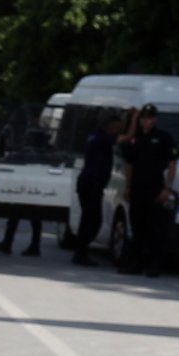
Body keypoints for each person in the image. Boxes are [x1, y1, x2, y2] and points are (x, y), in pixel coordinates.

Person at [121, 104, 178, 276]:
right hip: (137, 188)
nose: (147, 121)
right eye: (144, 117)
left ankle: (154, 266)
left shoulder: (163, 137)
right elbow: (129, 164)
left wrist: (167, 188)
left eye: (151, 117)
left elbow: (172, 163)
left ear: (155, 119)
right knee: (137, 227)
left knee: (155, 229)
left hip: (155, 188)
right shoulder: (135, 138)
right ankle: (135, 264)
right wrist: (128, 186)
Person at [70, 112, 117, 264]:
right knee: (93, 220)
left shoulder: (95, 135)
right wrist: (134, 121)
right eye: (119, 124)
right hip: (92, 184)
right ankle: (81, 252)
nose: (120, 127)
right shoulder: (104, 138)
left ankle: (80, 251)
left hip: (87, 183)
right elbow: (125, 138)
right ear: (111, 125)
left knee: (88, 218)